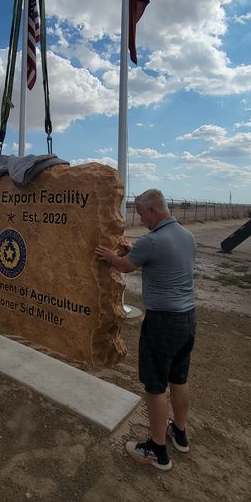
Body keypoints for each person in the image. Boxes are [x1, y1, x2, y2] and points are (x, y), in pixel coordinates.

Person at [95, 189, 196, 471]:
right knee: (179, 378)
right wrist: (132, 250)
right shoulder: (186, 236)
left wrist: (110, 254)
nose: (141, 219)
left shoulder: (152, 241)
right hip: (187, 318)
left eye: (141, 214)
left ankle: (157, 450)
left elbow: (126, 266)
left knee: (155, 387)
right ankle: (180, 432)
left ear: (153, 210)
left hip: (162, 322)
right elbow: (155, 259)